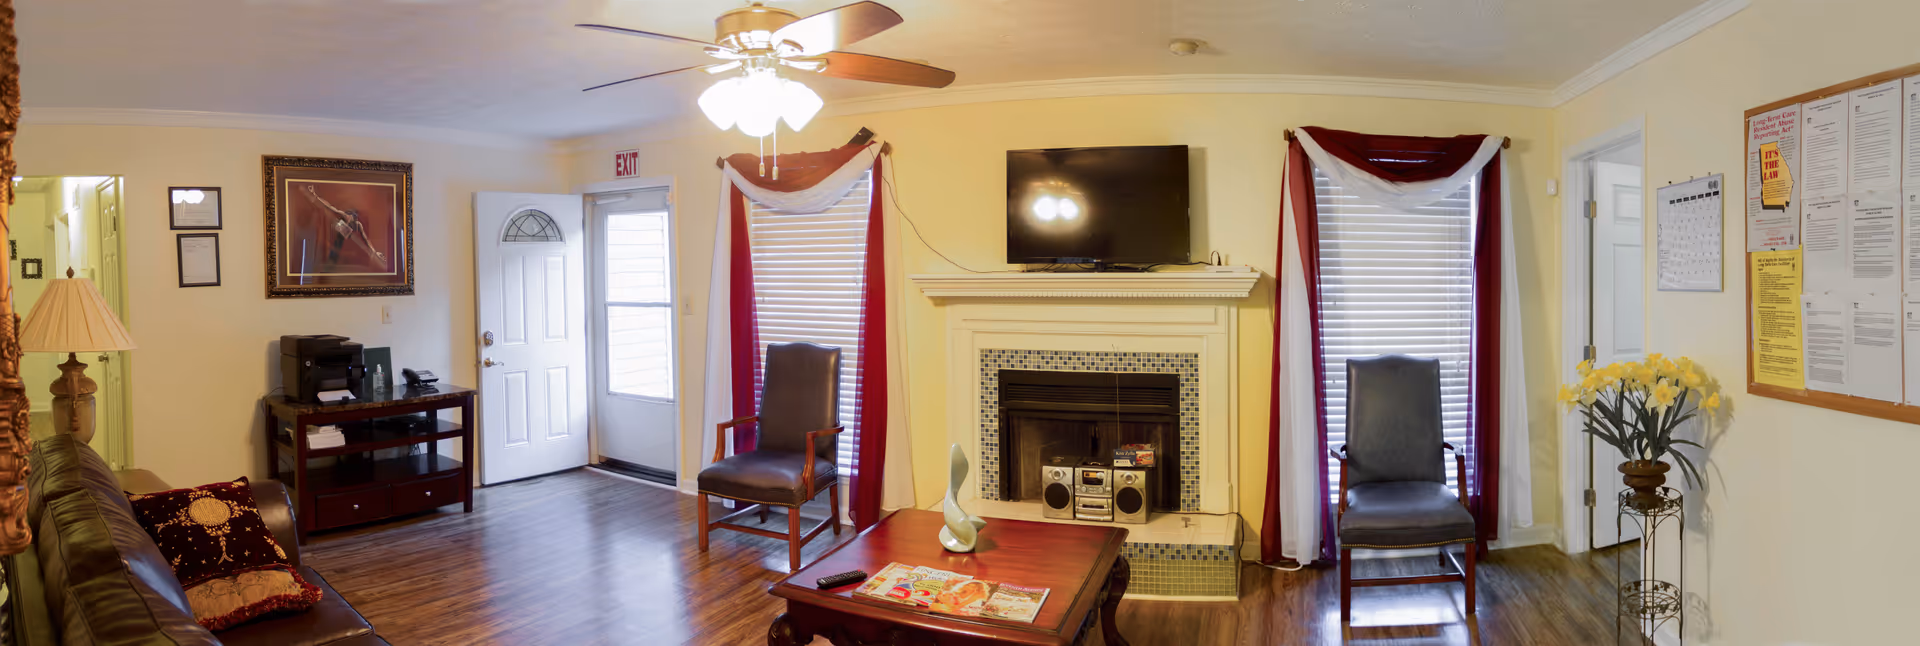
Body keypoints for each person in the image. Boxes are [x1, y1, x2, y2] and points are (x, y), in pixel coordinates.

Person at [300, 184, 388, 271]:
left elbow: (365, 239)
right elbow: (328, 206)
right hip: (337, 237)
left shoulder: (357, 225)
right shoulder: (342, 215)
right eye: (347, 216)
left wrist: (373, 251)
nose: (348, 218)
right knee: (334, 250)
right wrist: (316, 196)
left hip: (347, 241)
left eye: (350, 217)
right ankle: (330, 265)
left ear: (354, 218)